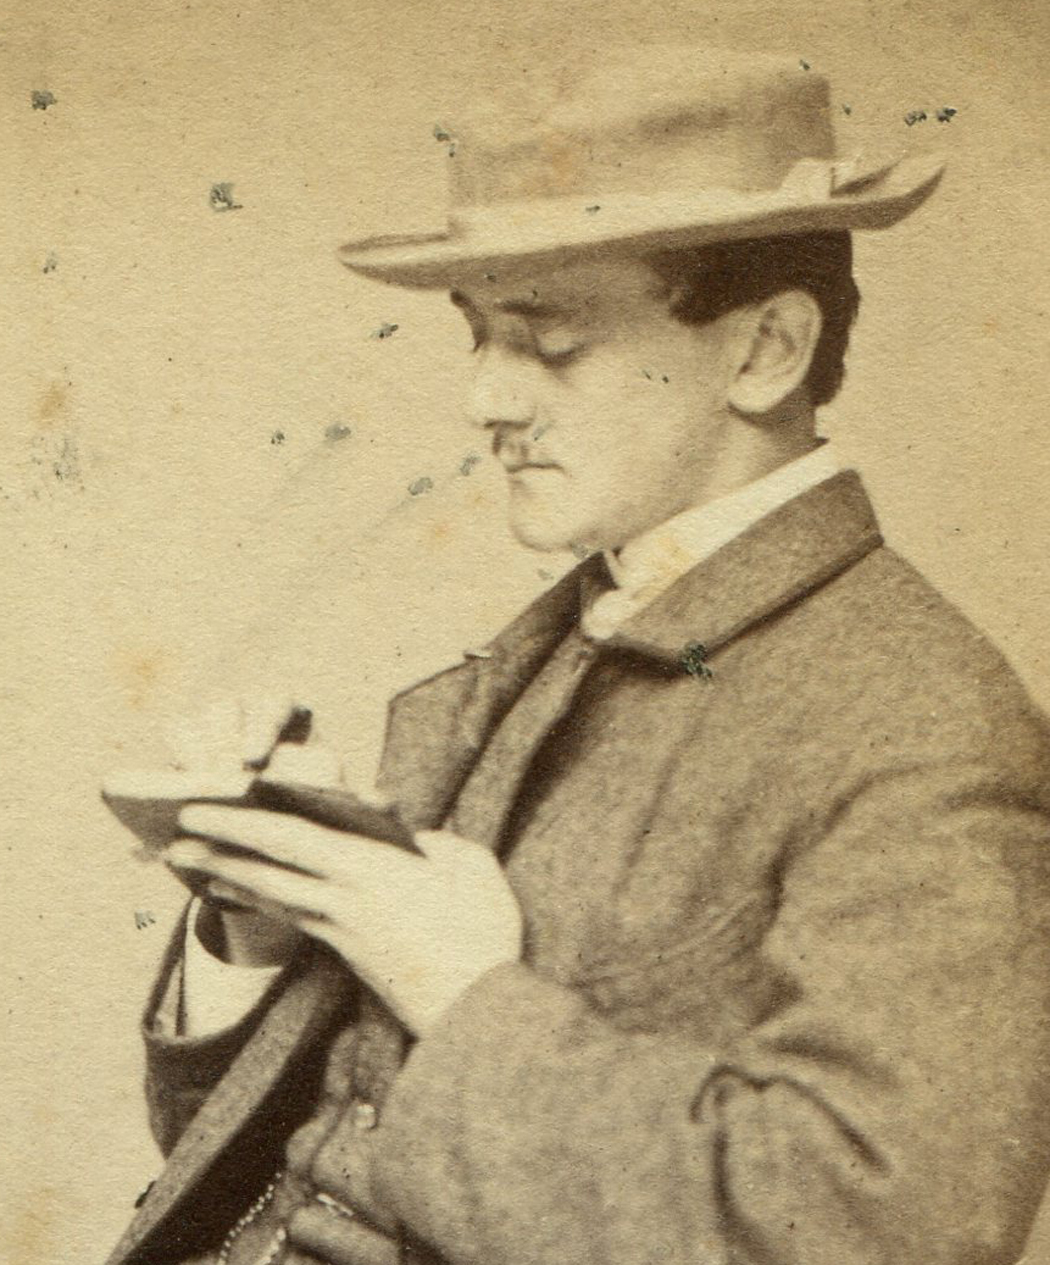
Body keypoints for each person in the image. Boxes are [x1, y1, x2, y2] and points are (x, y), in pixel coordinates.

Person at [107, 47, 1050, 1265]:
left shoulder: (924, 727)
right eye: (479, 336)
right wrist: (265, 919)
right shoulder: (559, 643)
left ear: (766, 349)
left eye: (549, 342)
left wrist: (461, 992)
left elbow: (881, 1229)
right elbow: (285, 1157)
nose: (485, 401)